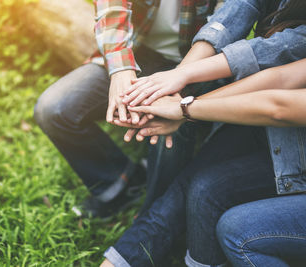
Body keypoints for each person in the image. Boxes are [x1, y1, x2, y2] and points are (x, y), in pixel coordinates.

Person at [99, 0, 306, 266]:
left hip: (289, 137)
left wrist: (185, 107)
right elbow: (281, 77)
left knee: (231, 223)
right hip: (274, 127)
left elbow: (280, 103)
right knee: (192, 185)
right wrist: (182, 98)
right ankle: (123, 258)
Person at [33, 0, 222, 219]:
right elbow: (111, 8)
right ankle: (120, 183)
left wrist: (178, 81)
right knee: (53, 108)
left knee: (168, 130)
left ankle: (154, 218)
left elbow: (221, 29)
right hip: (136, 50)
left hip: (196, 66)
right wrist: (121, 70)